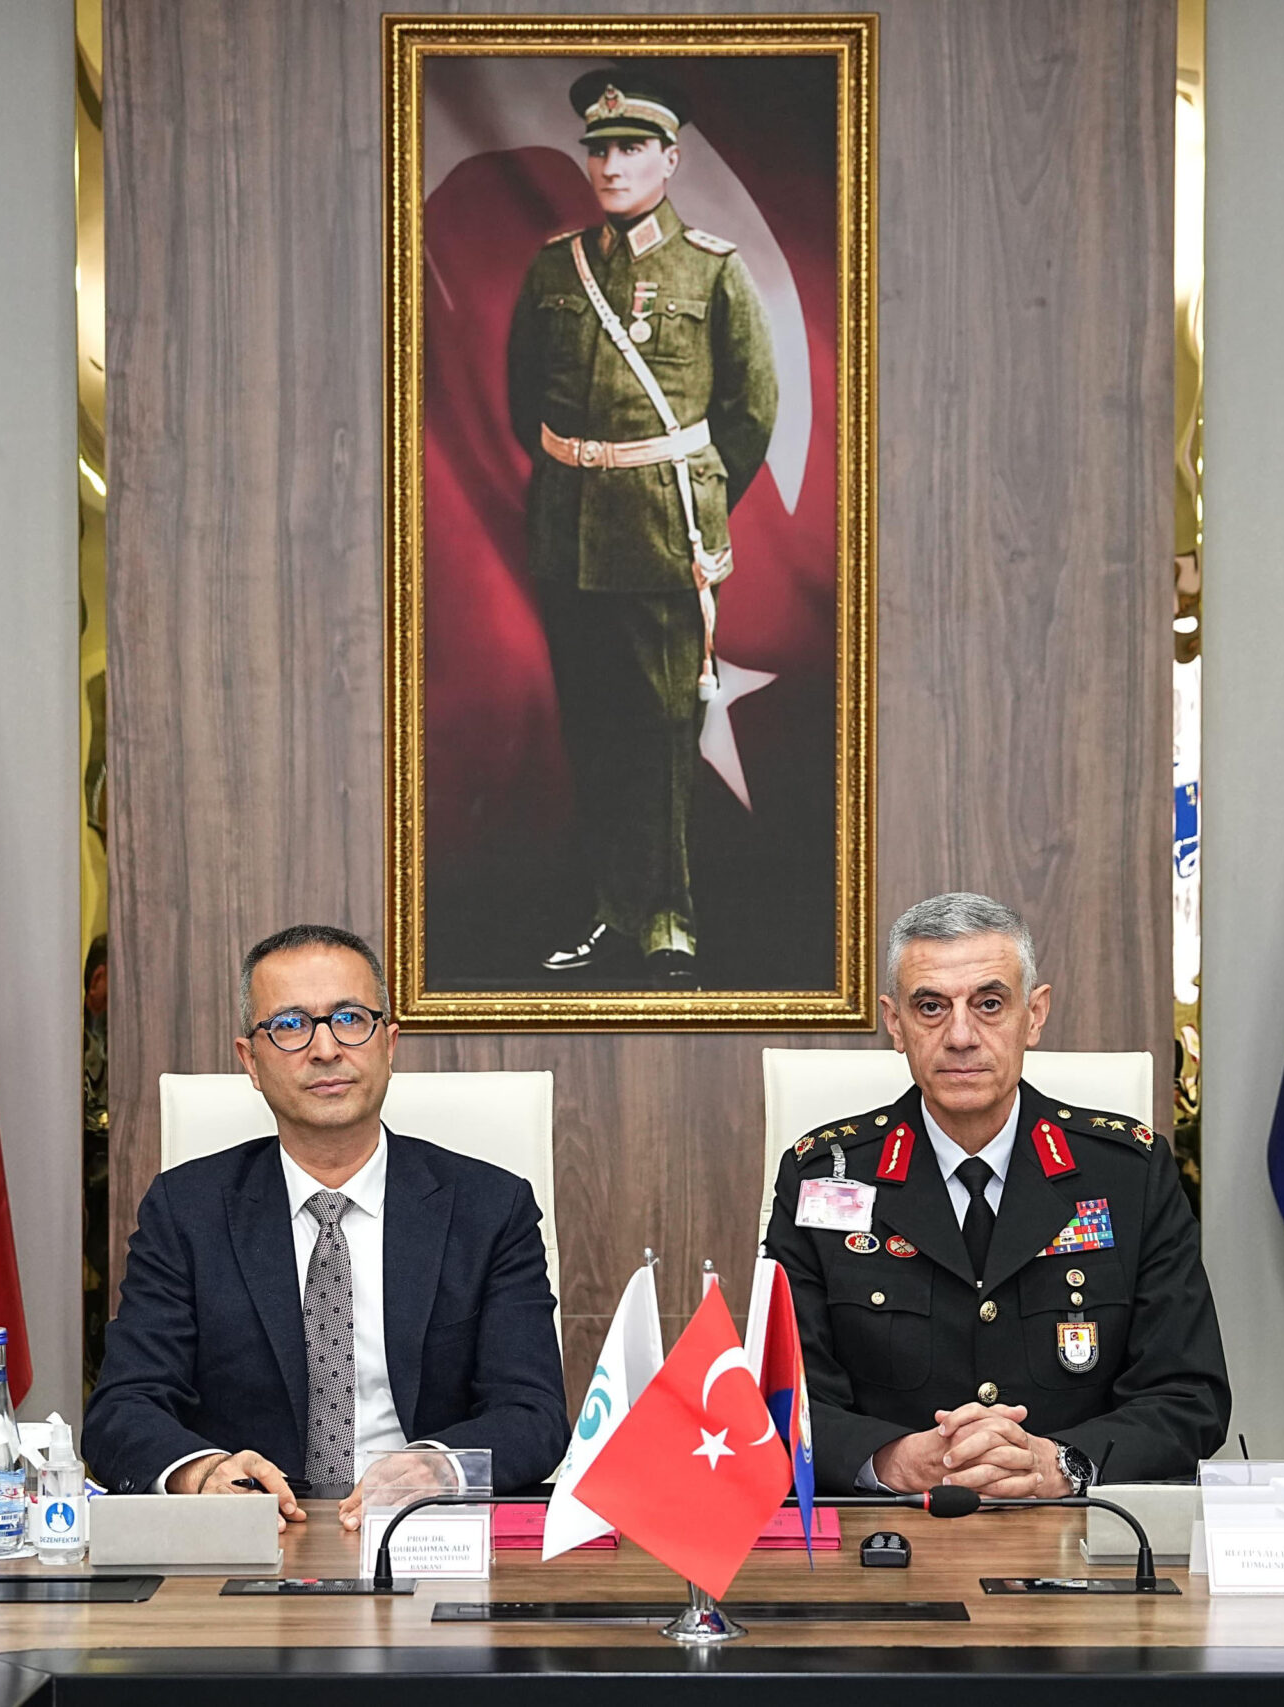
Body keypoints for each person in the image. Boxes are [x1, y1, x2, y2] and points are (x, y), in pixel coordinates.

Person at [85, 925, 567, 1523]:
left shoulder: (490, 1208)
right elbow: (123, 1408)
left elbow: (533, 1412)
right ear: (250, 1061)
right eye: (290, 1025)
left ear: (389, 1045)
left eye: (349, 1019)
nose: (325, 1049)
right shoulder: (186, 1211)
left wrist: (439, 1467)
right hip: (254, 1538)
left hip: (425, 1533)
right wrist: (203, 1472)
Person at [762, 893, 1231, 1493]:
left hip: (1078, 1527)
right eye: (931, 1007)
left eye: (989, 1004)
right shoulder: (824, 1177)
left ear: (1034, 1015)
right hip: (890, 1527)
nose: (961, 1035)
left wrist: (1061, 1465)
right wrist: (896, 1461)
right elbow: (784, 1397)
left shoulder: (1128, 1175)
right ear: (895, 1024)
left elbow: (1189, 1394)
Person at [506, 66, 779, 987]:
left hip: (663, 540)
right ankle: (606, 909)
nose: (612, 165)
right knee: (591, 731)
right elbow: (525, 402)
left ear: (670, 159)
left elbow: (749, 415)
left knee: (662, 736)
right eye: (600, 150)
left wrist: (684, 496)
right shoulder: (554, 268)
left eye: (631, 149)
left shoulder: (713, 268)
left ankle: (667, 920)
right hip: (569, 538)